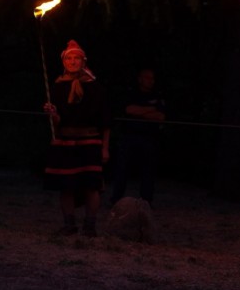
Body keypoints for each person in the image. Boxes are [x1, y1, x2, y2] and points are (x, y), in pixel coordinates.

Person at [43, 40, 111, 237]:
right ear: (64, 62)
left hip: (90, 141)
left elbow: (106, 120)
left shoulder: (95, 87)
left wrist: (105, 148)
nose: (72, 61)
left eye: (76, 58)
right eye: (69, 58)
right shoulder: (56, 87)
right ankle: (69, 224)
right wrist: (53, 113)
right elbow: (57, 122)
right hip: (65, 141)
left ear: (83, 61)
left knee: (92, 185)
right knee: (66, 186)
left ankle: (90, 226)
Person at [110, 68, 165, 207]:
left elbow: (160, 117)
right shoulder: (131, 93)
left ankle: (146, 201)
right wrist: (150, 110)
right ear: (140, 79)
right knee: (122, 169)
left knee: (148, 171)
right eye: (147, 77)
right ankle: (116, 199)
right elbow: (129, 110)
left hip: (150, 138)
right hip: (129, 136)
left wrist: (139, 112)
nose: (150, 81)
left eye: (152, 78)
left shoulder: (157, 95)